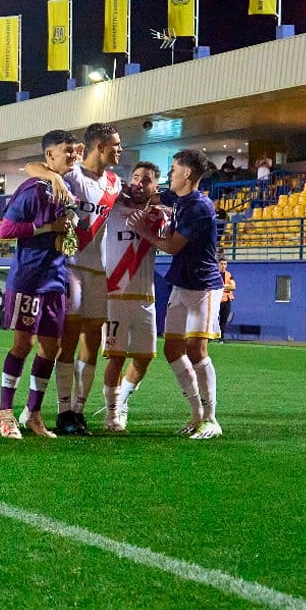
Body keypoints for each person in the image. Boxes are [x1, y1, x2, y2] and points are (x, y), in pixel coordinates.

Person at [25, 122, 123, 436]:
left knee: (93, 340)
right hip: (70, 264)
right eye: (116, 145)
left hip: (98, 268)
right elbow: (30, 166)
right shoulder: (72, 174)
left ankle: (79, 411)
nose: (120, 150)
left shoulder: (114, 182)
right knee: (68, 340)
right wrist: (52, 175)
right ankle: (63, 410)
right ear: (100, 146)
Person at [132, 150, 225, 439]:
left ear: (186, 174)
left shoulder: (199, 207)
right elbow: (155, 197)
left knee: (196, 350)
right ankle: (196, 414)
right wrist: (138, 192)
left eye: (173, 169)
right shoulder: (180, 198)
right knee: (172, 350)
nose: (169, 174)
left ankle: (211, 418)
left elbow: (172, 247)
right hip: (182, 284)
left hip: (203, 287)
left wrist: (141, 230)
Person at [0, 130, 78, 439]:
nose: (71, 155)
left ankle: (33, 412)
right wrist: (46, 227)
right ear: (49, 156)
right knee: (23, 345)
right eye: (64, 151)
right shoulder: (33, 189)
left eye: (73, 150)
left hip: (55, 280)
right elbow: (5, 229)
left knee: (50, 348)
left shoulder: (67, 186)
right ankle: (4, 412)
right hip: (28, 278)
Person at [100, 160, 163, 432]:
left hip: (145, 296)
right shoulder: (115, 208)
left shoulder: (160, 215)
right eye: (136, 177)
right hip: (115, 294)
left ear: (155, 186)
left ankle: (122, 400)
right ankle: (112, 414)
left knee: (144, 358)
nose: (139, 182)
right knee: (115, 357)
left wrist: (157, 201)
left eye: (146, 179)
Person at [218, 259, 235, 340]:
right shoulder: (215, 274)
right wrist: (227, 286)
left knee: (224, 319)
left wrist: (222, 286)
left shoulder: (229, 274)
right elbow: (214, 286)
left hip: (227, 300)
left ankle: (221, 338)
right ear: (218, 264)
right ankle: (210, 337)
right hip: (217, 300)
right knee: (214, 320)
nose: (223, 265)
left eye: (225, 264)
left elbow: (233, 286)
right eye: (222, 263)